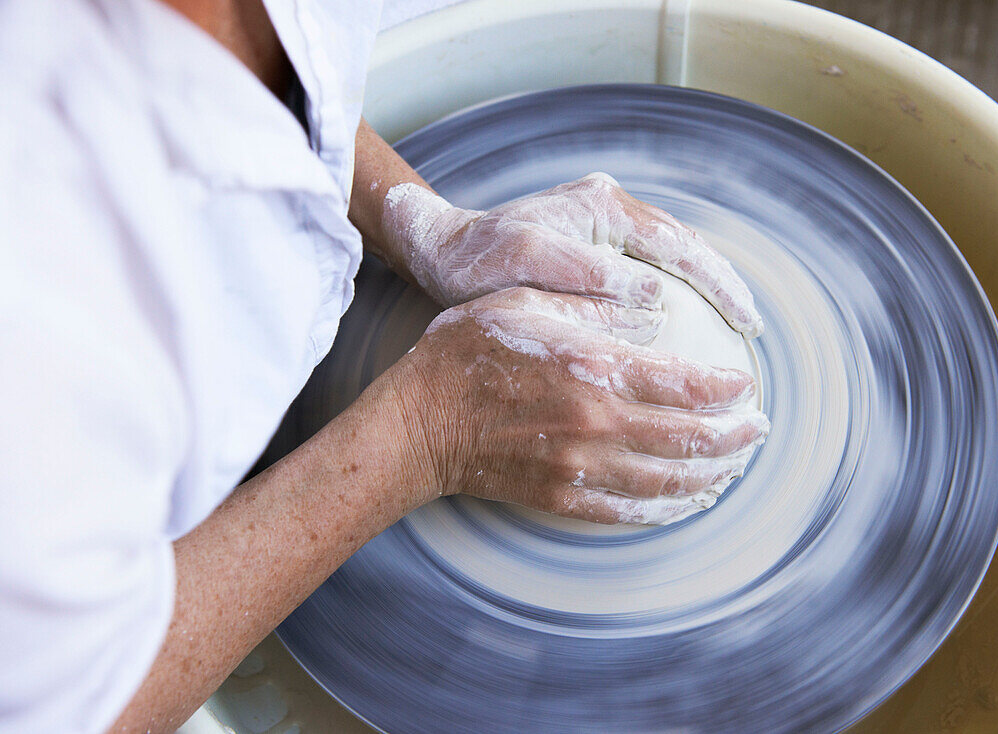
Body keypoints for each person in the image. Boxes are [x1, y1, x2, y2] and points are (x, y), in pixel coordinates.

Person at [0, 0, 768, 731]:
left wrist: (425, 222)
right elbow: (70, 705)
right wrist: (423, 434)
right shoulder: (40, 274)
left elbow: (275, 63)